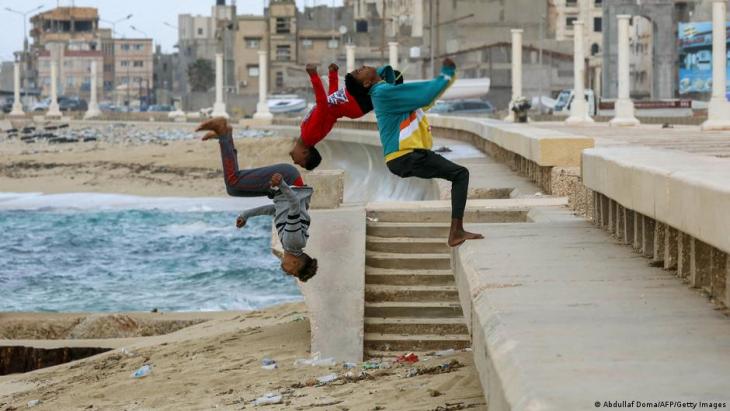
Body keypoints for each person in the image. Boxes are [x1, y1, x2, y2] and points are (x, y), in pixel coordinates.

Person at [350, 59, 484, 247]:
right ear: (366, 83)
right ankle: (456, 232)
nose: (362, 66)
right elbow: (427, 94)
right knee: (460, 174)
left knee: (459, 174)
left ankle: (457, 230)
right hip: (406, 155)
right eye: (358, 71)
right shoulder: (382, 92)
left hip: (403, 157)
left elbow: (431, 96)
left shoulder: (391, 96)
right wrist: (446, 73)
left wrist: (449, 78)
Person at [197, 118, 318, 281]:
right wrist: (281, 184)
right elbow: (295, 205)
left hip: (284, 187)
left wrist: (246, 215)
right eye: (292, 273)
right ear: (296, 263)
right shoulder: (293, 241)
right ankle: (223, 132)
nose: (287, 272)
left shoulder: (291, 244)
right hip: (287, 180)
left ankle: (224, 135)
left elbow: (276, 210)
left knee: (233, 188)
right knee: (234, 181)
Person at [289, 63, 383, 171]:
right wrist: (314, 76)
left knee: (372, 79)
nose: (295, 162)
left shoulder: (306, 132)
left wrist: (333, 75)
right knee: (361, 77)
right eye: (300, 163)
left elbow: (331, 99)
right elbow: (322, 105)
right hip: (353, 104)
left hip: (351, 102)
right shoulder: (309, 135)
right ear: (305, 153)